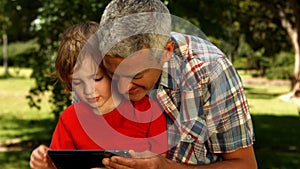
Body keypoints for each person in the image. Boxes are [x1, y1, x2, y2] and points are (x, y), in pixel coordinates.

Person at [97, 0, 257, 168]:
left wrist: (165, 167)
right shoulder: (94, 70)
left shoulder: (210, 71)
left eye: (136, 75)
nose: (123, 87)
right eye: (113, 75)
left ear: (167, 51)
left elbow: (245, 164)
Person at [29, 21, 167, 169]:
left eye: (97, 79)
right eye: (77, 82)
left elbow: (159, 164)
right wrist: (44, 164)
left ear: (113, 72)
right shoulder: (70, 119)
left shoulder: (149, 112)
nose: (88, 90)